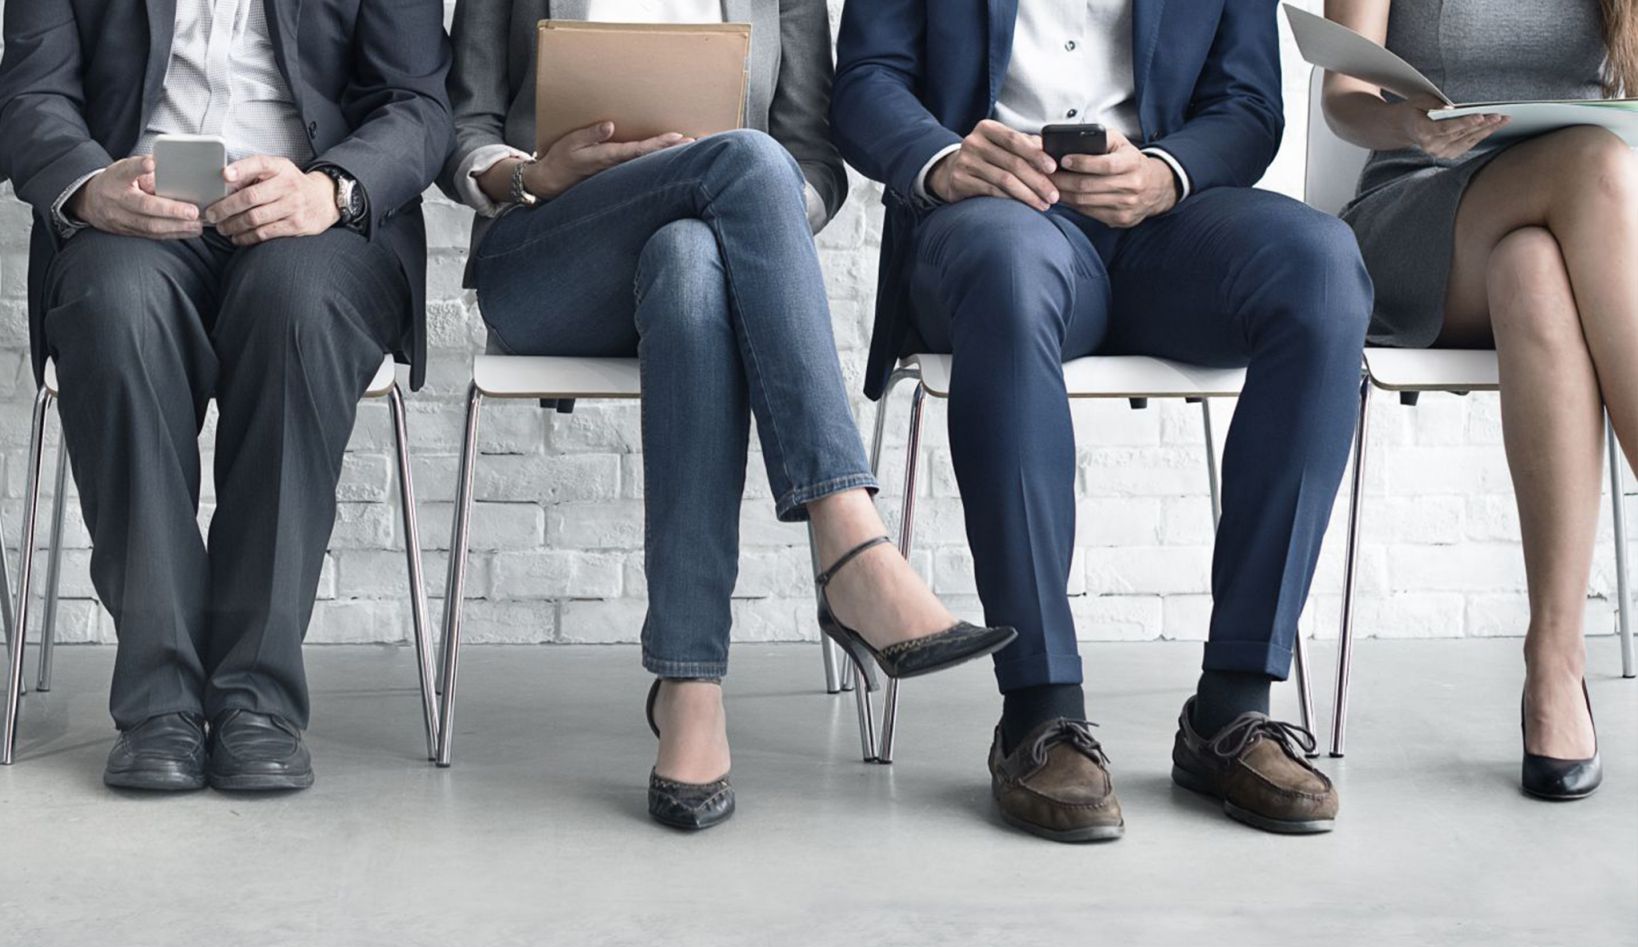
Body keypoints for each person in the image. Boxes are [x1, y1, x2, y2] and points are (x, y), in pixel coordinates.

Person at [442, 0, 1014, 831]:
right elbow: (464, 130)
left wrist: (753, 218)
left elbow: (814, 164)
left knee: (691, 260)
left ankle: (690, 686)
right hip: (547, 257)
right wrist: (534, 173)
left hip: (707, 259)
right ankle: (850, 543)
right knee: (746, 160)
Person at [831, 0, 1374, 841]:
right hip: (994, 222)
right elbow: (865, 82)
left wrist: (1164, 172)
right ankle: (1040, 713)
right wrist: (944, 160)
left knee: (1321, 269)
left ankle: (1233, 707)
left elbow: (1249, 104)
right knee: (1010, 272)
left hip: (1167, 232)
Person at [0, 0, 454, 792]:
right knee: (115, 312)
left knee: (295, 312)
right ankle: (160, 705)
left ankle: (257, 702)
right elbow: (30, 93)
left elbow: (416, 101)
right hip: (130, 220)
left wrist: (333, 189)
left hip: (314, 223)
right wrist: (86, 185)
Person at [1324, 0, 1635, 800]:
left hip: (1572, 227)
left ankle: (1555, 666)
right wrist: (1412, 127)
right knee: (1598, 164)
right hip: (1420, 205)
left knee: (1532, 269)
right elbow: (1344, 96)